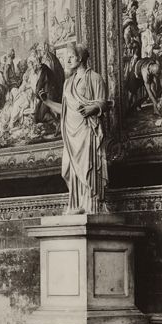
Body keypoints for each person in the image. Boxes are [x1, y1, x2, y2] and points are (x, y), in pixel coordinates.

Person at [41, 44, 108, 215]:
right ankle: (76, 203)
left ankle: (91, 205)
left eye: (71, 56)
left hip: (86, 131)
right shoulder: (68, 83)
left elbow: (103, 102)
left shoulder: (94, 78)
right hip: (71, 135)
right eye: (66, 57)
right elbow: (65, 109)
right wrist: (47, 102)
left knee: (87, 169)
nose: (67, 60)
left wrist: (92, 109)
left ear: (80, 58)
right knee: (67, 171)